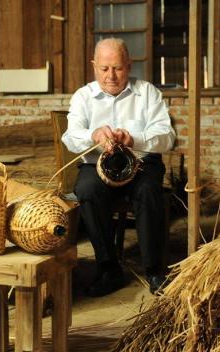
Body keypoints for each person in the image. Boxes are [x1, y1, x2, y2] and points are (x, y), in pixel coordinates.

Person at [62, 37, 176, 296]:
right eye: (104, 69)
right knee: (87, 190)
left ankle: (154, 270)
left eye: (118, 68)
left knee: (148, 191)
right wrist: (93, 136)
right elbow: (70, 137)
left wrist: (134, 139)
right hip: (97, 166)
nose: (111, 76)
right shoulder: (83, 96)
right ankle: (108, 269)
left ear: (129, 65)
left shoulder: (147, 92)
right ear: (94, 66)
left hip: (142, 163)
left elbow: (166, 137)